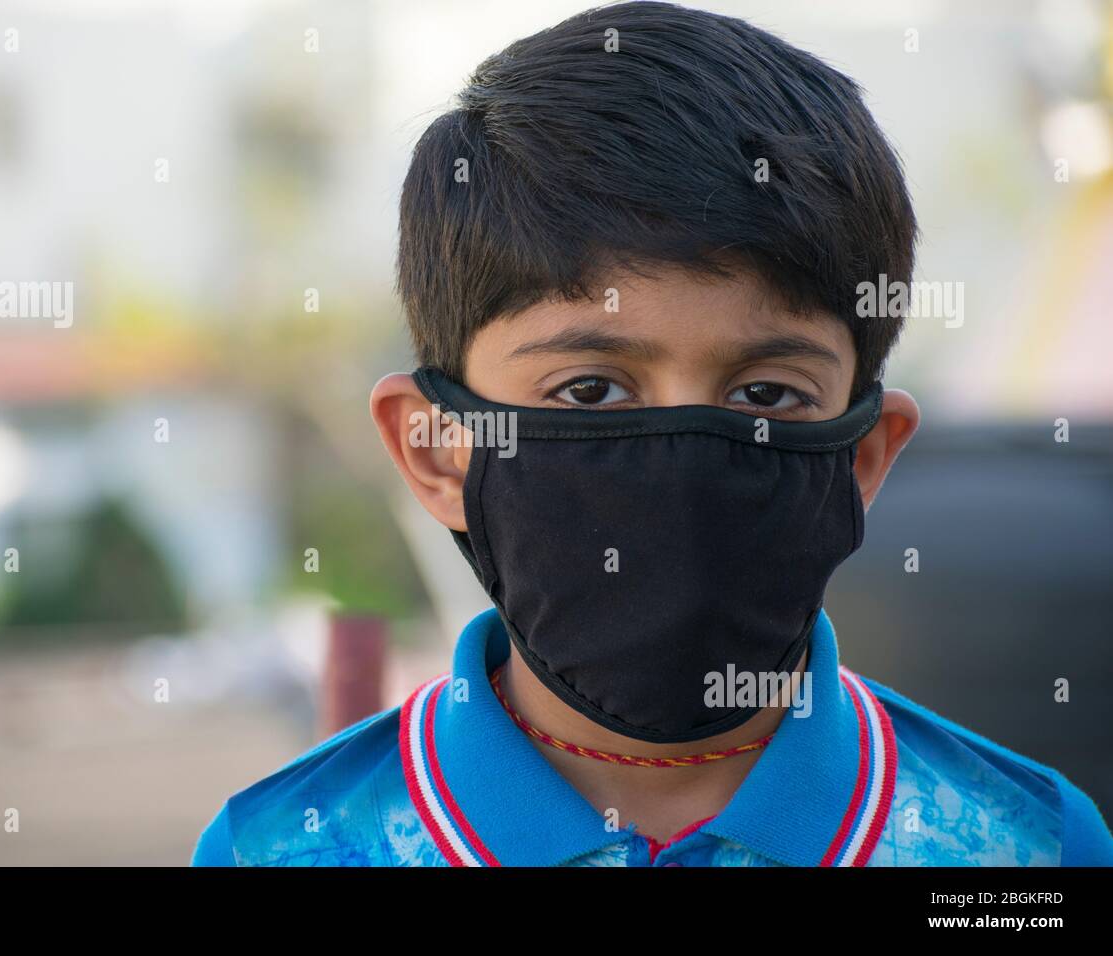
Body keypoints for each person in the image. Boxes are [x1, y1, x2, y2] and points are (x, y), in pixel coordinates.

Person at [192, 1, 1113, 867]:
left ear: (865, 457)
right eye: (589, 389)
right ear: (434, 447)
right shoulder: (277, 847)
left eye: (767, 393)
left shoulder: (1027, 847)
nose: (682, 455)